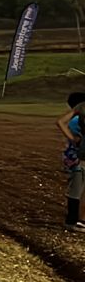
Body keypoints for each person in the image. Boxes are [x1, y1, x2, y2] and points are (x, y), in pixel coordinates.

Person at [58, 91, 84, 229]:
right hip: (76, 157)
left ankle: (75, 219)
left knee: (78, 187)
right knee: (77, 188)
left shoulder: (77, 118)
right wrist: (75, 140)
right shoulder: (76, 119)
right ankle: (72, 221)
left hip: (73, 155)